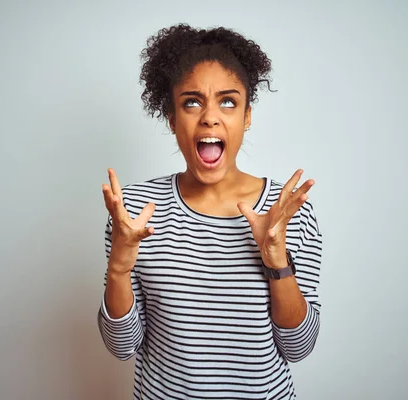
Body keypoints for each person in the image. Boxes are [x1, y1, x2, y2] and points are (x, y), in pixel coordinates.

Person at [97, 23, 323, 400]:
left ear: (247, 117)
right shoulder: (134, 214)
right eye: (192, 102)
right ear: (172, 119)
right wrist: (118, 268)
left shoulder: (288, 211)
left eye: (228, 101)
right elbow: (123, 348)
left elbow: (298, 349)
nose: (210, 117)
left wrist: (276, 260)